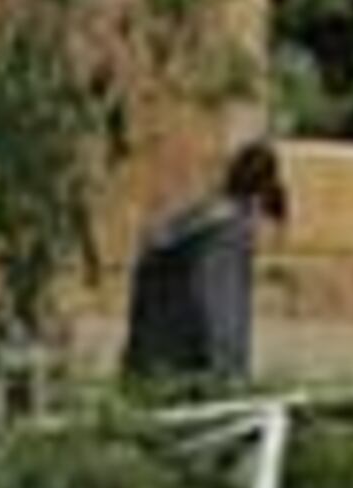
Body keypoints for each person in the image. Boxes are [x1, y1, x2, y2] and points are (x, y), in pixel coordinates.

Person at [122, 138, 287, 385]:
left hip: (154, 353)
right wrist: (230, 373)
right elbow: (221, 305)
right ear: (260, 198)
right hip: (186, 365)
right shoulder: (227, 233)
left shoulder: (199, 218)